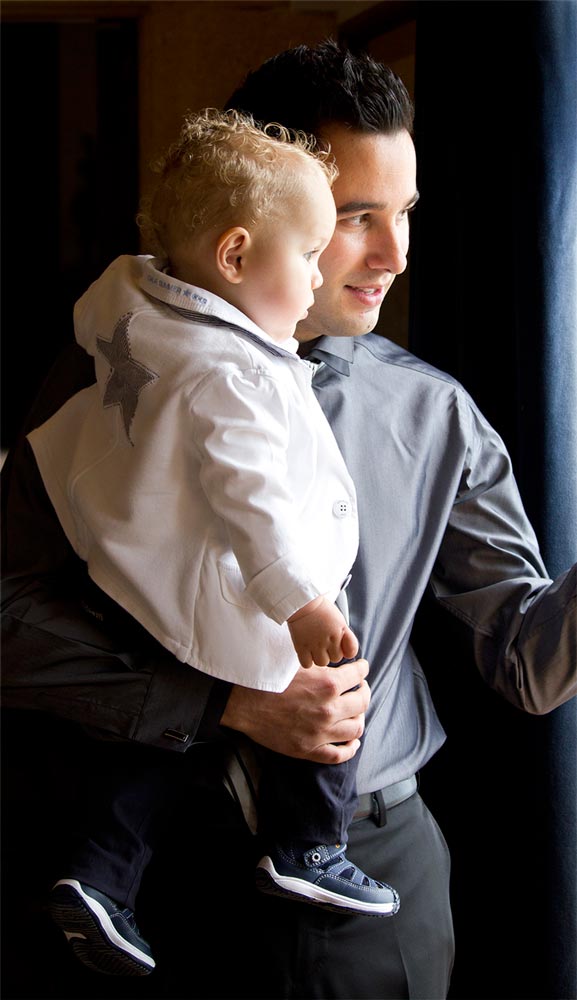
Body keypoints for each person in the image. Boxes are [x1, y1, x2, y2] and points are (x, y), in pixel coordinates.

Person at [2, 38, 575, 1000]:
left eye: (404, 214)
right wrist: (221, 704)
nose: (395, 256)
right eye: (355, 218)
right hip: (141, 883)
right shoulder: (103, 375)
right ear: (253, 211)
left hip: (375, 882)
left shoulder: (433, 414)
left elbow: (527, 661)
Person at [26, 106, 399, 976]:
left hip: (129, 576)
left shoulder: (130, 301)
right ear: (234, 256)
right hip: (229, 582)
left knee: (152, 748)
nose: (320, 274)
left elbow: (105, 302)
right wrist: (300, 603)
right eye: (312, 252)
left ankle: (98, 876)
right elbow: (252, 499)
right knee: (331, 680)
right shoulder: (229, 375)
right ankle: (309, 845)